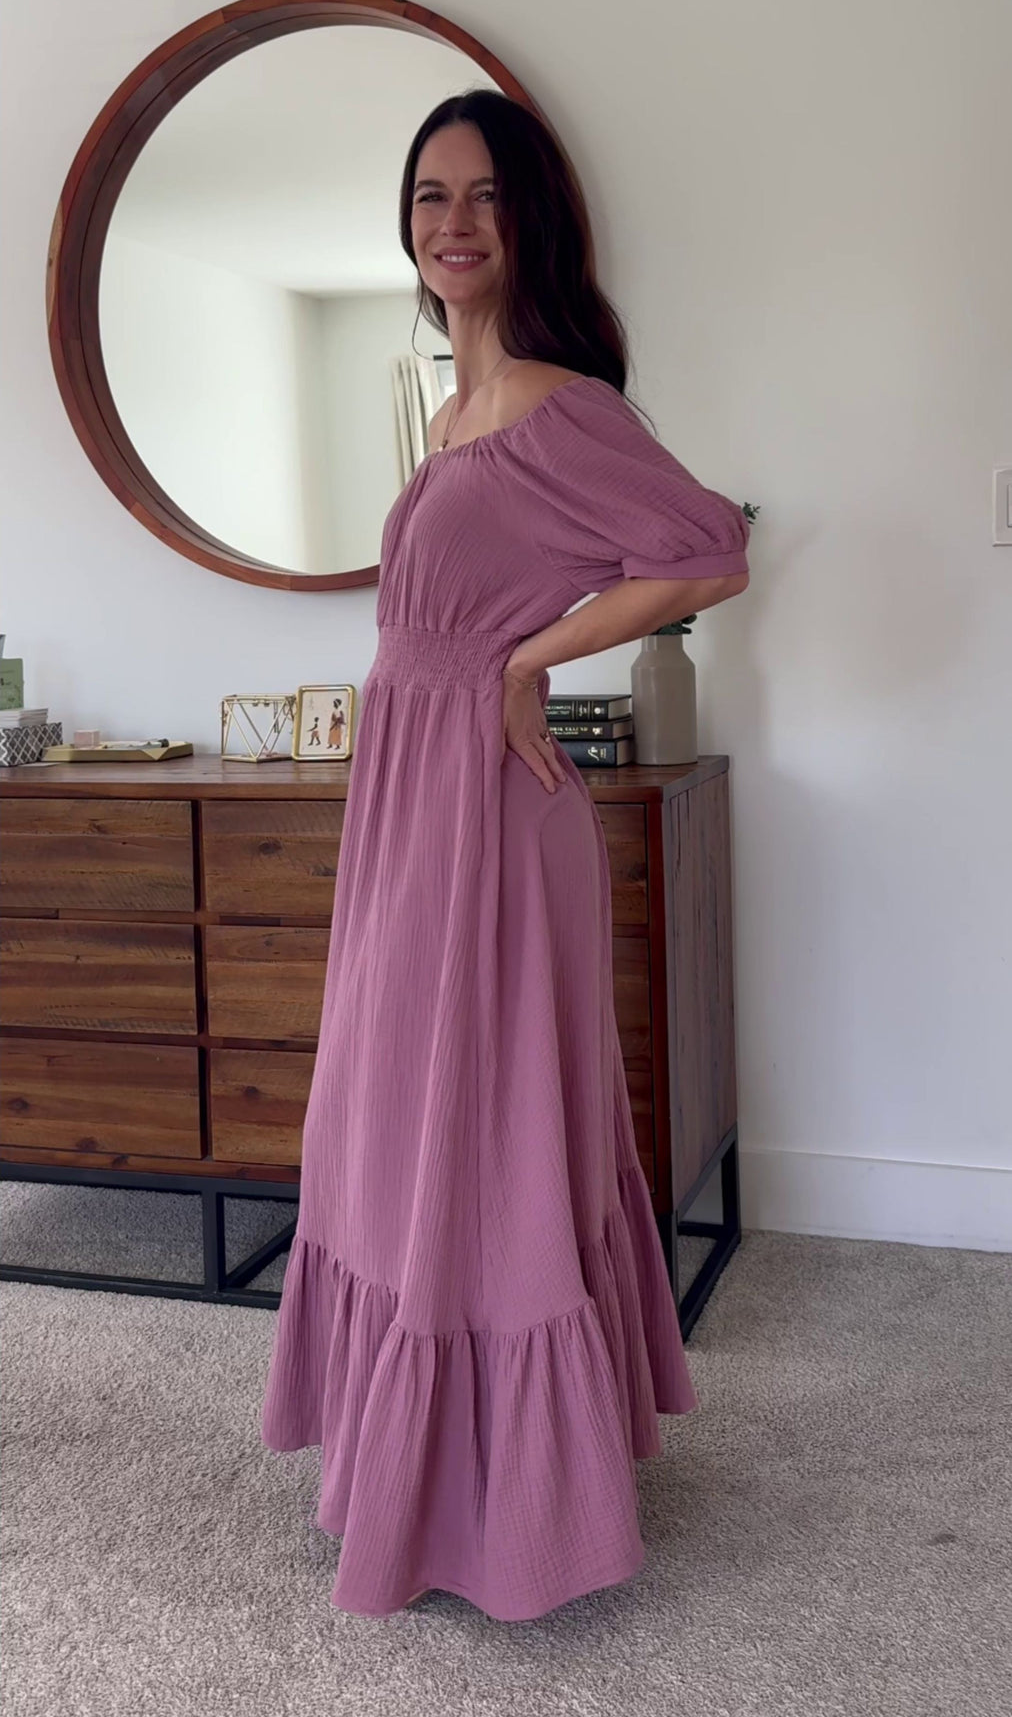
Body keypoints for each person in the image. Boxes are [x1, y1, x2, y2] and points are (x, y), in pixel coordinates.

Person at [260, 88, 750, 1621]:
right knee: (394, 1113)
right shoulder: (457, 411)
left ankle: (507, 1509)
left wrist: (528, 661)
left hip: (489, 810)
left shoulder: (555, 402)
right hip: (410, 800)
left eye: (482, 194)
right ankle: (430, 1465)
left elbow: (706, 551)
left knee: (478, 1122)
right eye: (429, 196)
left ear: (529, 217)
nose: (453, 221)